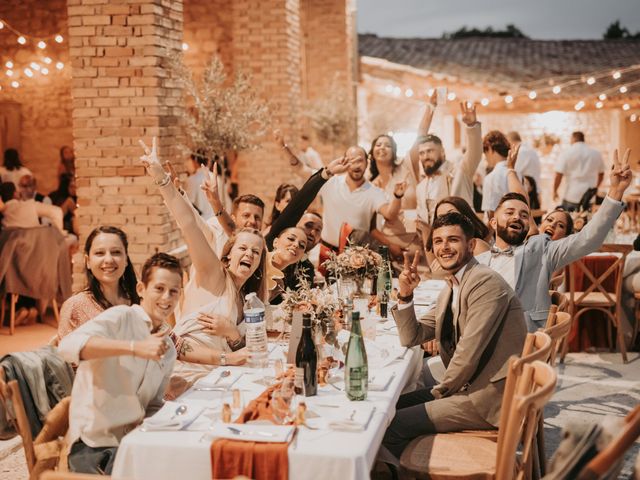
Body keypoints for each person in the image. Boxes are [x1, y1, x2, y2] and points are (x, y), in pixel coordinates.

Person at [382, 212, 526, 459]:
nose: (444, 247)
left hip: (487, 400)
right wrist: (405, 295)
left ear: (470, 245)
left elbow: (467, 354)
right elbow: (412, 336)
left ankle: (422, 472)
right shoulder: (453, 286)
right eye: (438, 241)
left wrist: (437, 397)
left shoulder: (485, 283)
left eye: (453, 240)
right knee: (386, 409)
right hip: (469, 388)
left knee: (389, 427)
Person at [140, 138, 265, 382]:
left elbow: (244, 349)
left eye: (256, 252)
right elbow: (189, 225)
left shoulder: (245, 300)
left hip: (219, 378)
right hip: (184, 375)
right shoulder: (214, 274)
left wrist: (231, 333)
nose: (249, 254)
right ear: (228, 256)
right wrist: (161, 178)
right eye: (243, 248)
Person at [476, 148, 632, 331]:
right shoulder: (480, 258)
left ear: (529, 225)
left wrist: (615, 191)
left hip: (520, 335)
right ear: (493, 222)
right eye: (509, 213)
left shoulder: (540, 249)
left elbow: (588, 239)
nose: (517, 217)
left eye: (525, 215)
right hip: (480, 331)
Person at [58, 253, 182, 475]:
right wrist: (134, 347)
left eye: (174, 291)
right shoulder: (121, 317)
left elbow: (152, 405)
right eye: (159, 288)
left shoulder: (168, 349)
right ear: (141, 289)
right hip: (93, 444)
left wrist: (180, 417)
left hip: (132, 443)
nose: (166, 297)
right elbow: (67, 347)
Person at [318, 145, 405, 253]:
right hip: (327, 252)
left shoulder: (374, 192)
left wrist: (397, 196)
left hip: (357, 256)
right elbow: (303, 170)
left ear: (367, 163)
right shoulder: (330, 183)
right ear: (344, 162)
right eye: (351, 161)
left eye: (360, 161)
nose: (356, 165)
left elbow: (390, 214)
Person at [58, 226, 140, 339]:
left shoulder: (140, 300)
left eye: (116, 252)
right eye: (100, 253)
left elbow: (168, 343)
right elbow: (66, 353)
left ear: (126, 259)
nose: (109, 260)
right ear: (88, 261)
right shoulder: (75, 307)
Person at [415, 101, 482, 226]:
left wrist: (472, 126)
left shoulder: (459, 172)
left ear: (442, 152)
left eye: (430, 151)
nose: (425, 156)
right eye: (422, 153)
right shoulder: (420, 187)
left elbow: (474, 154)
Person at [368, 133, 420, 259]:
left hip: (418, 237)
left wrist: (429, 112)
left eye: (388, 145)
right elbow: (371, 227)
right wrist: (390, 246)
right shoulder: (371, 186)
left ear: (394, 152)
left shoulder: (406, 167)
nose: (382, 148)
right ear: (372, 153)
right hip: (392, 244)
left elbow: (421, 135)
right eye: (378, 145)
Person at [553, 131, 606, 211]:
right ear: (583, 139)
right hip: (589, 197)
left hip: (571, 195)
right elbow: (601, 174)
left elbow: (558, 175)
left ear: (573, 138)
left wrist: (555, 191)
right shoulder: (596, 153)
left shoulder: (566, 153)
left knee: (569, 221)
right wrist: (595, 188)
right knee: (588, 221)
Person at [481, 130, 522, 216]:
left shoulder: (491, 178)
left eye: (485, 152)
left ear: (490, 148)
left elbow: (490, 213)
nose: (485, 158)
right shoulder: (516, 173)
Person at [183, 150, 214, 220]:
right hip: (216, 220)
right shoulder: (216, 177)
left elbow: (189, 203)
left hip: (202, 221)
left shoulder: (192, 179)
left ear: (195, 161)